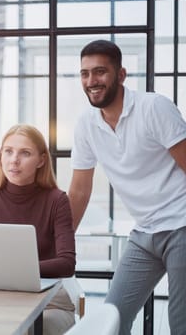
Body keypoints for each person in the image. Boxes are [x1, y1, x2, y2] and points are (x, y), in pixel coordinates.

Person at [68, 40, 186, 334]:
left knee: (180, 322)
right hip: (144, 233)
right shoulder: (86, 125)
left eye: (99, 72)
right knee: (113, 318)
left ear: (121, 75)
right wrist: (60, 245)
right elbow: (80, 192)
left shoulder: (153, 108)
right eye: (84, 74)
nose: (91, 81)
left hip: (182, 225)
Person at [0, 124, 76, 335]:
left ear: (41, 160)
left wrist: (14, 271)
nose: (14, 160)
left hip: (50, 302)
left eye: (25, 153)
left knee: (25, 327)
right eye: (8, 151)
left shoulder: (56, 200)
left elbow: (66, 263)